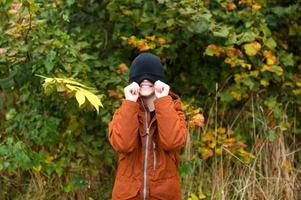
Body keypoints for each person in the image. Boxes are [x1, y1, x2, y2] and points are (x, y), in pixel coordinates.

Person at [108, 52, 188, 200]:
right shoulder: (124, 110)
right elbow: (123, 145)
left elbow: (173, 142)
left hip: (165, 195)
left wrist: (163, 99)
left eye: (150, 76)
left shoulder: (173, 109)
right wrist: (130, 102)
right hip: (128, 195)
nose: (145, 79)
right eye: (140, 77)